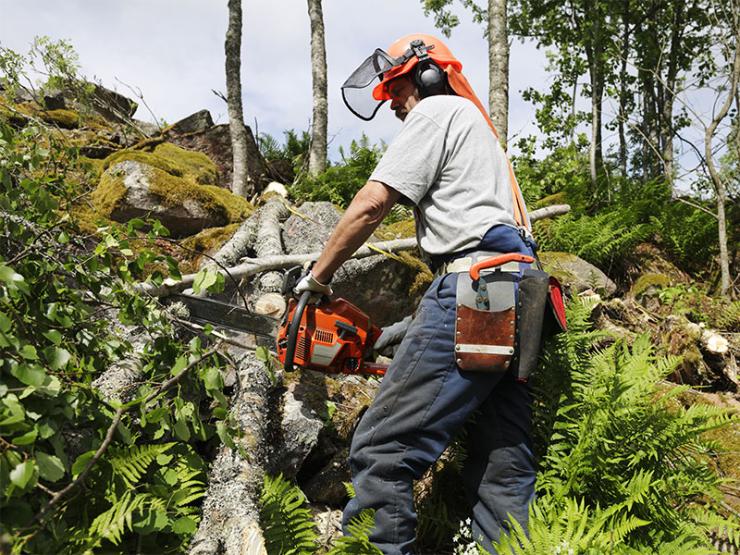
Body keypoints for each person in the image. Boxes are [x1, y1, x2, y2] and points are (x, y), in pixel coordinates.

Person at [295, 33, 541, 554]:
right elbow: (480, 237)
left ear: (429, 75)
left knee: (384, 448)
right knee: (505, 461)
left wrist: (316, 281)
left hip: (476, 287)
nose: (397, 106)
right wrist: (396, 334)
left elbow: (371, 203)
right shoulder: (481, 135)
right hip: (519, 292)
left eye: (399, 89)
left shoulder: (438, 112)